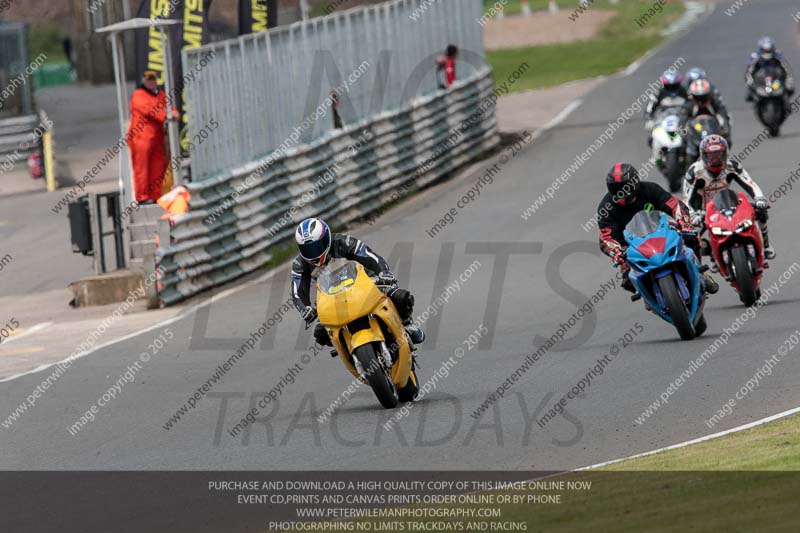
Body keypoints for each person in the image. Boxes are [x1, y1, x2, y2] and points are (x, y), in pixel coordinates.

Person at [290, 217, 425, 348]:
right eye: (307, 249)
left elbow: (370, 256)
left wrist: (383, 272)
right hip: (332, 297)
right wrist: (305, 308)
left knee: (399, 297)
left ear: (327, 239)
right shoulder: (299, 264)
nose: (314, 253)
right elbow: (298, 291)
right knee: (320, 333)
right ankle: (347, 346)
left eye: (317, 246)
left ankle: (407, 324)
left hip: (367, 282)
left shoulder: (344, 243)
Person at [598, 163, 718, 294]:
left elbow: (674, 205)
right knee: (628, 281)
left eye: (624, 188)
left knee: (691, 237)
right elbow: (606, 235)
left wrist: (684, 224)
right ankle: (649, 294)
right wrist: (615, 251)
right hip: (630, 246)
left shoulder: (649, 189)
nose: (620, 193)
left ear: (634, 183)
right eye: (615, 189)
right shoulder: (606, 207)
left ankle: (700, 272)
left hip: (661, 233)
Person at [683, 135, 775, 261]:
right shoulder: (694, 172)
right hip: (703, 212)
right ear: (703, 155)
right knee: (690, 238)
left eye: (719, 154)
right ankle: (706, 259)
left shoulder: (732, 166)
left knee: (761, 211)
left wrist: (760, 198)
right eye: (711, 155)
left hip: (728, 206)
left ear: (726, 154)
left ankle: (766, 245)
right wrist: (693, 215)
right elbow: (686, 199)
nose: (715, 159)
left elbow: (750, 183)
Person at [126, 70, 179, 204]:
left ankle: (156, 195)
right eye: (148, 80)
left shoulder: (160, 94)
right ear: (143, 81)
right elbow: (150, 110)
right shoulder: (138, 95)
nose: (151, 82)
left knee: (158, 166)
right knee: (142, 168)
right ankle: (142, 197)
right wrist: (168, 115)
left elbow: (168, 108)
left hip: (157, 137)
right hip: (140, 137)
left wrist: (174, 113)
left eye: (153, 79)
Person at [745, 37, 795, 103]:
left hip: (776, 80)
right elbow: (749, 69)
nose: (767, 52)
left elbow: (786, 66)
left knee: (790, 88)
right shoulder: (755, 55)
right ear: (761, 49)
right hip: (761, 80)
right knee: (750, 88)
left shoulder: (778, 54)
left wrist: (788, 79)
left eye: (768, 50)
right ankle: (755, 99)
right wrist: (750, 80)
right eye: (765, 50)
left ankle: (786, 102)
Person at [645, 70, 688, 146]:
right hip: (663, 119)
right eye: (669, 86)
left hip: (682, 119)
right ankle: (656, 156)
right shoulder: (658, 93)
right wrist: (649, 119)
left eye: (674, 85)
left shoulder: (685, 91)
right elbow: (650, 107)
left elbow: (693, 104)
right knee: (654, 134)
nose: (672, 89)